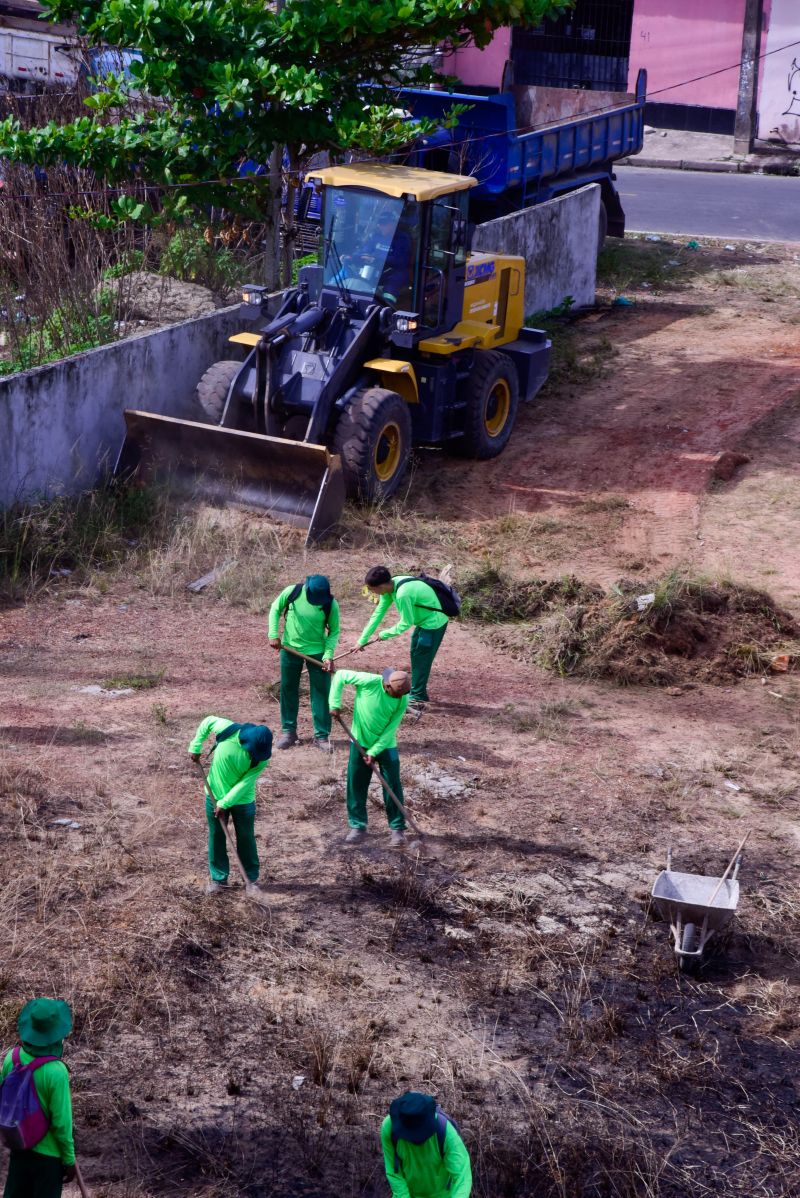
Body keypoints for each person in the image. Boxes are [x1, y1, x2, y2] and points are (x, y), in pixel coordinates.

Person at [1, 998, 76, 1198]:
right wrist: (69, 1160)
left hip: (19, 1145)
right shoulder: (57, 1072)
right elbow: (62, 1123)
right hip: (49, 1158)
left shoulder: (12, 1058)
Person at [188, 717, 272, 895]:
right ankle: (219, 880)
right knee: (217, 835)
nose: (253, 756)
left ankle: (251, 879)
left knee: (246, 837)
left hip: (242, 800)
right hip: (214, 794)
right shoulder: (228, 729)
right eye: (251, 751)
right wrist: (196, 746)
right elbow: (207, 721)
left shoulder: (261, 758)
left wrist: (225, 803)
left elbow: (245, 783)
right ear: (245, 741)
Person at [329, 667, 411, 847]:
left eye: (402, 695)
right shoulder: (369, 681)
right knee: (356, 783)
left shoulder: (402, 698)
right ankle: (357, 826)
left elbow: (391, 729)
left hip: (385, 744)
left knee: (392, 784)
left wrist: (374, 752)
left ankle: (397, 829)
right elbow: (341, 675)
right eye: (396, 694)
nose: (399, 697)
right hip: (359, 741)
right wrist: (335, 704)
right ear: (387, 685)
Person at [356, 567, 449, 713]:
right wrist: (362, 640)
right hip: (423, 621)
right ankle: (419, 693)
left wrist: (384, 634)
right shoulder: (390, 587)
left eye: (372, 589)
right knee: (416, 653)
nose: (372, 593)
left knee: (422, 656)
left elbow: (406, 622)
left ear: (381, 586)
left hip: (434, 623)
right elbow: (378, 613)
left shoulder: (402, 594)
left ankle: (417, 698)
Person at [268, 575, 340, 752]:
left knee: (321, 693)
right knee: (288, 689)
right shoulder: (292, 592)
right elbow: (275, 609)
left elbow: (334, 631)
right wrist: (273, 634)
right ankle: (288, 732)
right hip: (290, 649)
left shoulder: (330, 604)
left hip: (317, 652)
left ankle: (321, 736)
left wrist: (328, 656)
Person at [381, 1091, 472, 1198]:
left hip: (443, 1194)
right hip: (407, 1194)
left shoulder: (445, 1131)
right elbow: (394, 1171)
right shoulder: (389, 1128)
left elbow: (462, 1177)